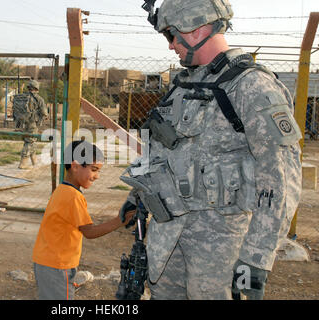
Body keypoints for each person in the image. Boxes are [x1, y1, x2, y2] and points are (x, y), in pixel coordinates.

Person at [119, 0, 302, 300]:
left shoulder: (251, 86)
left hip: (221, 246)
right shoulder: (182, 85)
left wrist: (256, 257)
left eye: (171, 35)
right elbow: (163, 149)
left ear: (198, 28)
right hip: (169, 237)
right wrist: (135, 195)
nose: (171, 46)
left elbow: (281, 178)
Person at [32, 140, 135, 300]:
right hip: (57, 266)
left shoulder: (62, 189)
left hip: (48, 261)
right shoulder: (73, 197)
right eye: (94, 170)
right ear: (75, 166)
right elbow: (89, 231)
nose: (97, 176)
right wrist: (120, 221)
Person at [12, 80, 48, 169]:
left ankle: (33, 159)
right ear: (36, 88)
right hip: (32, 123)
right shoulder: (38, 99)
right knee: (29, 141)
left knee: (30, 140)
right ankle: (23, 162)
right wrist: (44, 116)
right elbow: (44, 112)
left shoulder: (22, 97)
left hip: (22, 122)